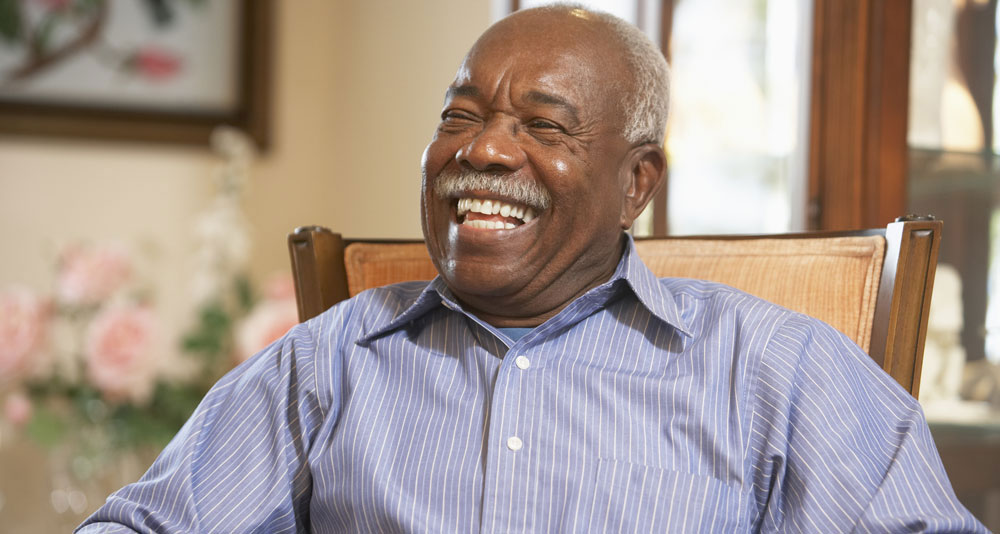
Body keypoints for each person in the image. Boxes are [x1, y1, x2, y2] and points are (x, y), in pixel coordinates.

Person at [79, 5, 986, 533]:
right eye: (459, 116)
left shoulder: (779, 371)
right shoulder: (328, 363)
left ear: (637, 182)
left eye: (543, 127)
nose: (483, 152)